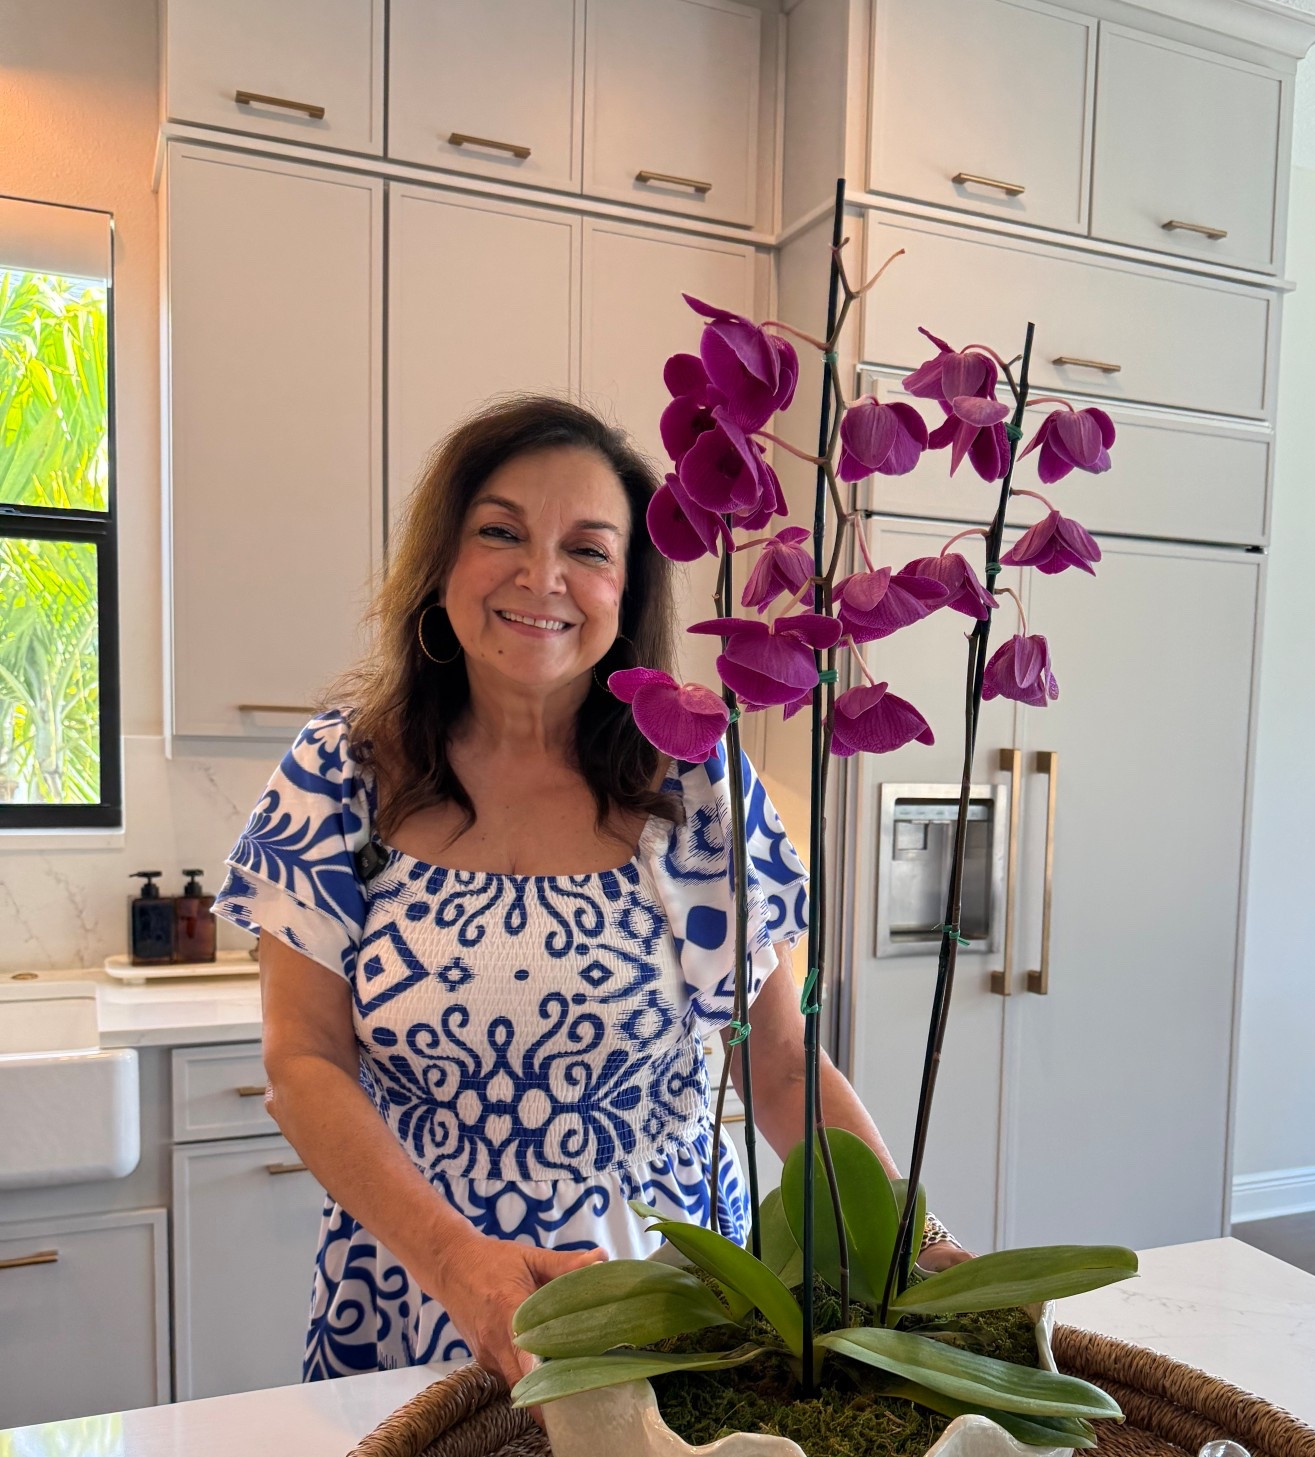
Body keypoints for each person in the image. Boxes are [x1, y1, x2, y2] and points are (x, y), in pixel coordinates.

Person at [216, 398, 961, 1390]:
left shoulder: (692, 781)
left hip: (680, 1314)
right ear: (442, 559)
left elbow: (778, 1064)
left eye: (588, 548)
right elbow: (304, 1062)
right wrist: (455, 1263)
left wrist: (909, 1240)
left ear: (627, 587)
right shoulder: (340, 774)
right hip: (412, 1308)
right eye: (500, 532)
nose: (542, 576)